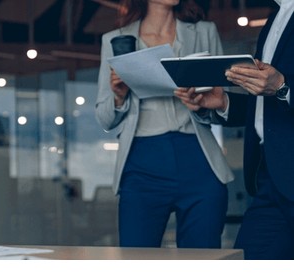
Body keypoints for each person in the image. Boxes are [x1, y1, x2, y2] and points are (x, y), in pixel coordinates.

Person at [96, 0, 234, 248]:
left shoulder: (205, 32)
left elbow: (219, 104)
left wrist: (202, 104)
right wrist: (118, 96)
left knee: (203, 265)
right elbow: (105, 119)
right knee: (136, 263)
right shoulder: (114, 40)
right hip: (142, 165)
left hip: (199, 161)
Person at [175, 0, 293, 259]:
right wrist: (224, 102)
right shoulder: (275, 19)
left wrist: (284, 86)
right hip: (270, 179)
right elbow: (268, 105)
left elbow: (279, 89)